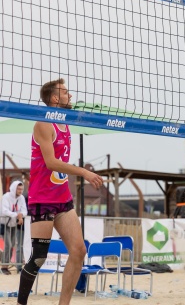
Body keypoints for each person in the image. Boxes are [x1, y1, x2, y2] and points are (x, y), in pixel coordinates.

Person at [17, 78, 104, 305]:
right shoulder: (43, 123)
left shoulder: (66, 124)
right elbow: (51, 163)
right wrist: (84, 173)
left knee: (79, 251)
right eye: (65, 92)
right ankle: (20, 303)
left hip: (62, 199)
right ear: (55, 98)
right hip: (42, 199)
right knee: (38, 258)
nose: (70, 95)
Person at [1, 180, 27, 275]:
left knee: (13, 245)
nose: (20, 191)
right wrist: (17, 215)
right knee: (8, 245)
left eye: (21, 189)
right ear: (14, 188)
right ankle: (4, 266)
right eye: (18, 189)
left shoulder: (21, 198)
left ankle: (11, 265)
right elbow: (4, 211)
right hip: (6, 223)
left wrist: (20, 215)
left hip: (16, 224)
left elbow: (25, 211)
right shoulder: (6, 197)